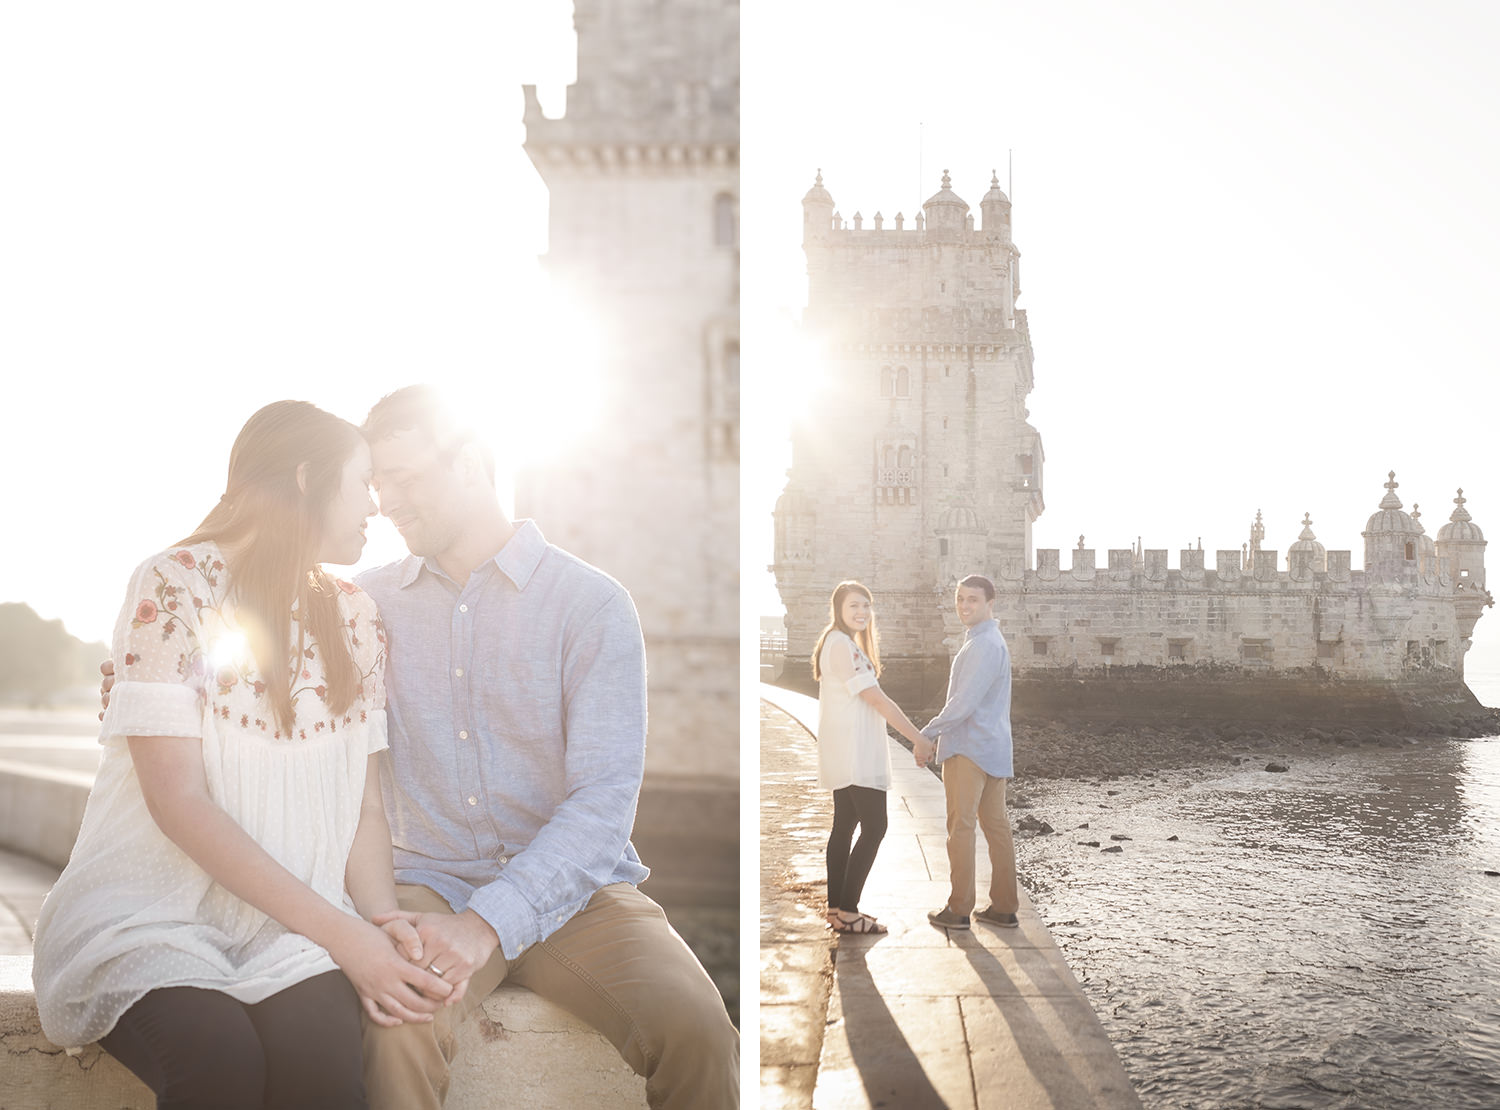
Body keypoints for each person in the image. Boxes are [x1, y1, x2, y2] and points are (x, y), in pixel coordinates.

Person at [35, 401, 452, 1110]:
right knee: (218, 1061)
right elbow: (180, 804)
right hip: (149, 915)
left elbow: (365, 805)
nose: (374, 508)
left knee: (323, 1070)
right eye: (361, 484)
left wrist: (380, 924)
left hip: (287, 931)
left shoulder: (356, 615)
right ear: (305, 478)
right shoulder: (173, 586)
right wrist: (346, 938)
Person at [350, 386, 738, 1110]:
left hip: (581, 898)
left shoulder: (590, 604)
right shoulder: (362, 604)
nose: (385, 501)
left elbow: (603, 801)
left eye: (401, 476)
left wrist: (487, 923)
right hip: (427, 882)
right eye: (375, 483)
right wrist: (158, 681)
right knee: (397, 1026)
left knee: (702, 1034)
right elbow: (260, 665)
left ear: (467, 460)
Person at [812, 580, 933, 935]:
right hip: (857, 752)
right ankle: (848, 910)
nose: (862, 612)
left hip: (843, 749)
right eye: (853, 606)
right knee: (875, 826)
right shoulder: (843, 646)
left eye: (866, 606)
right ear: (839, 610)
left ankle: (837, 910)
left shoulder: (835, 642)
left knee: (845, 826)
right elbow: (877, 699)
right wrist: (919, 739)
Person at [921, 574, 1021, 931]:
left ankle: (960, 908)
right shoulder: (991, 640)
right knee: (997, 828)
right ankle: (1005, 907)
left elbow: (963, 704)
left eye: (973, 600)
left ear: (990, 603)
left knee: (961, 827)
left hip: (969, 750)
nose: (964, 606)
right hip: (994, 748)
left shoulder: (982, 645)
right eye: (960, 599)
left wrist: (927, 733)